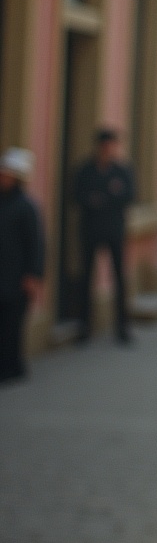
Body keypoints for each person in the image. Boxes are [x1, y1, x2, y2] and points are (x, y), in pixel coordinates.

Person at [75, 128, 134, 344]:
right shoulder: (86, 170)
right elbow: (78, 196)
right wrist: (99, 199)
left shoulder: (121, 171)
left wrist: (105, 198)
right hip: (90, 230)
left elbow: (129, 195)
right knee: (86, 277)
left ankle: (122, 326)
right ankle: (85, 325)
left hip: (114, 230)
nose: (108, 150)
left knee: (119, 277)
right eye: (105, 146)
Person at [0, 147, 44, 383]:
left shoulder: (26, 207)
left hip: (17, 276)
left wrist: (33, 274)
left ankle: (13, 367)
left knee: (12, 326)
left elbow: (36, 243)